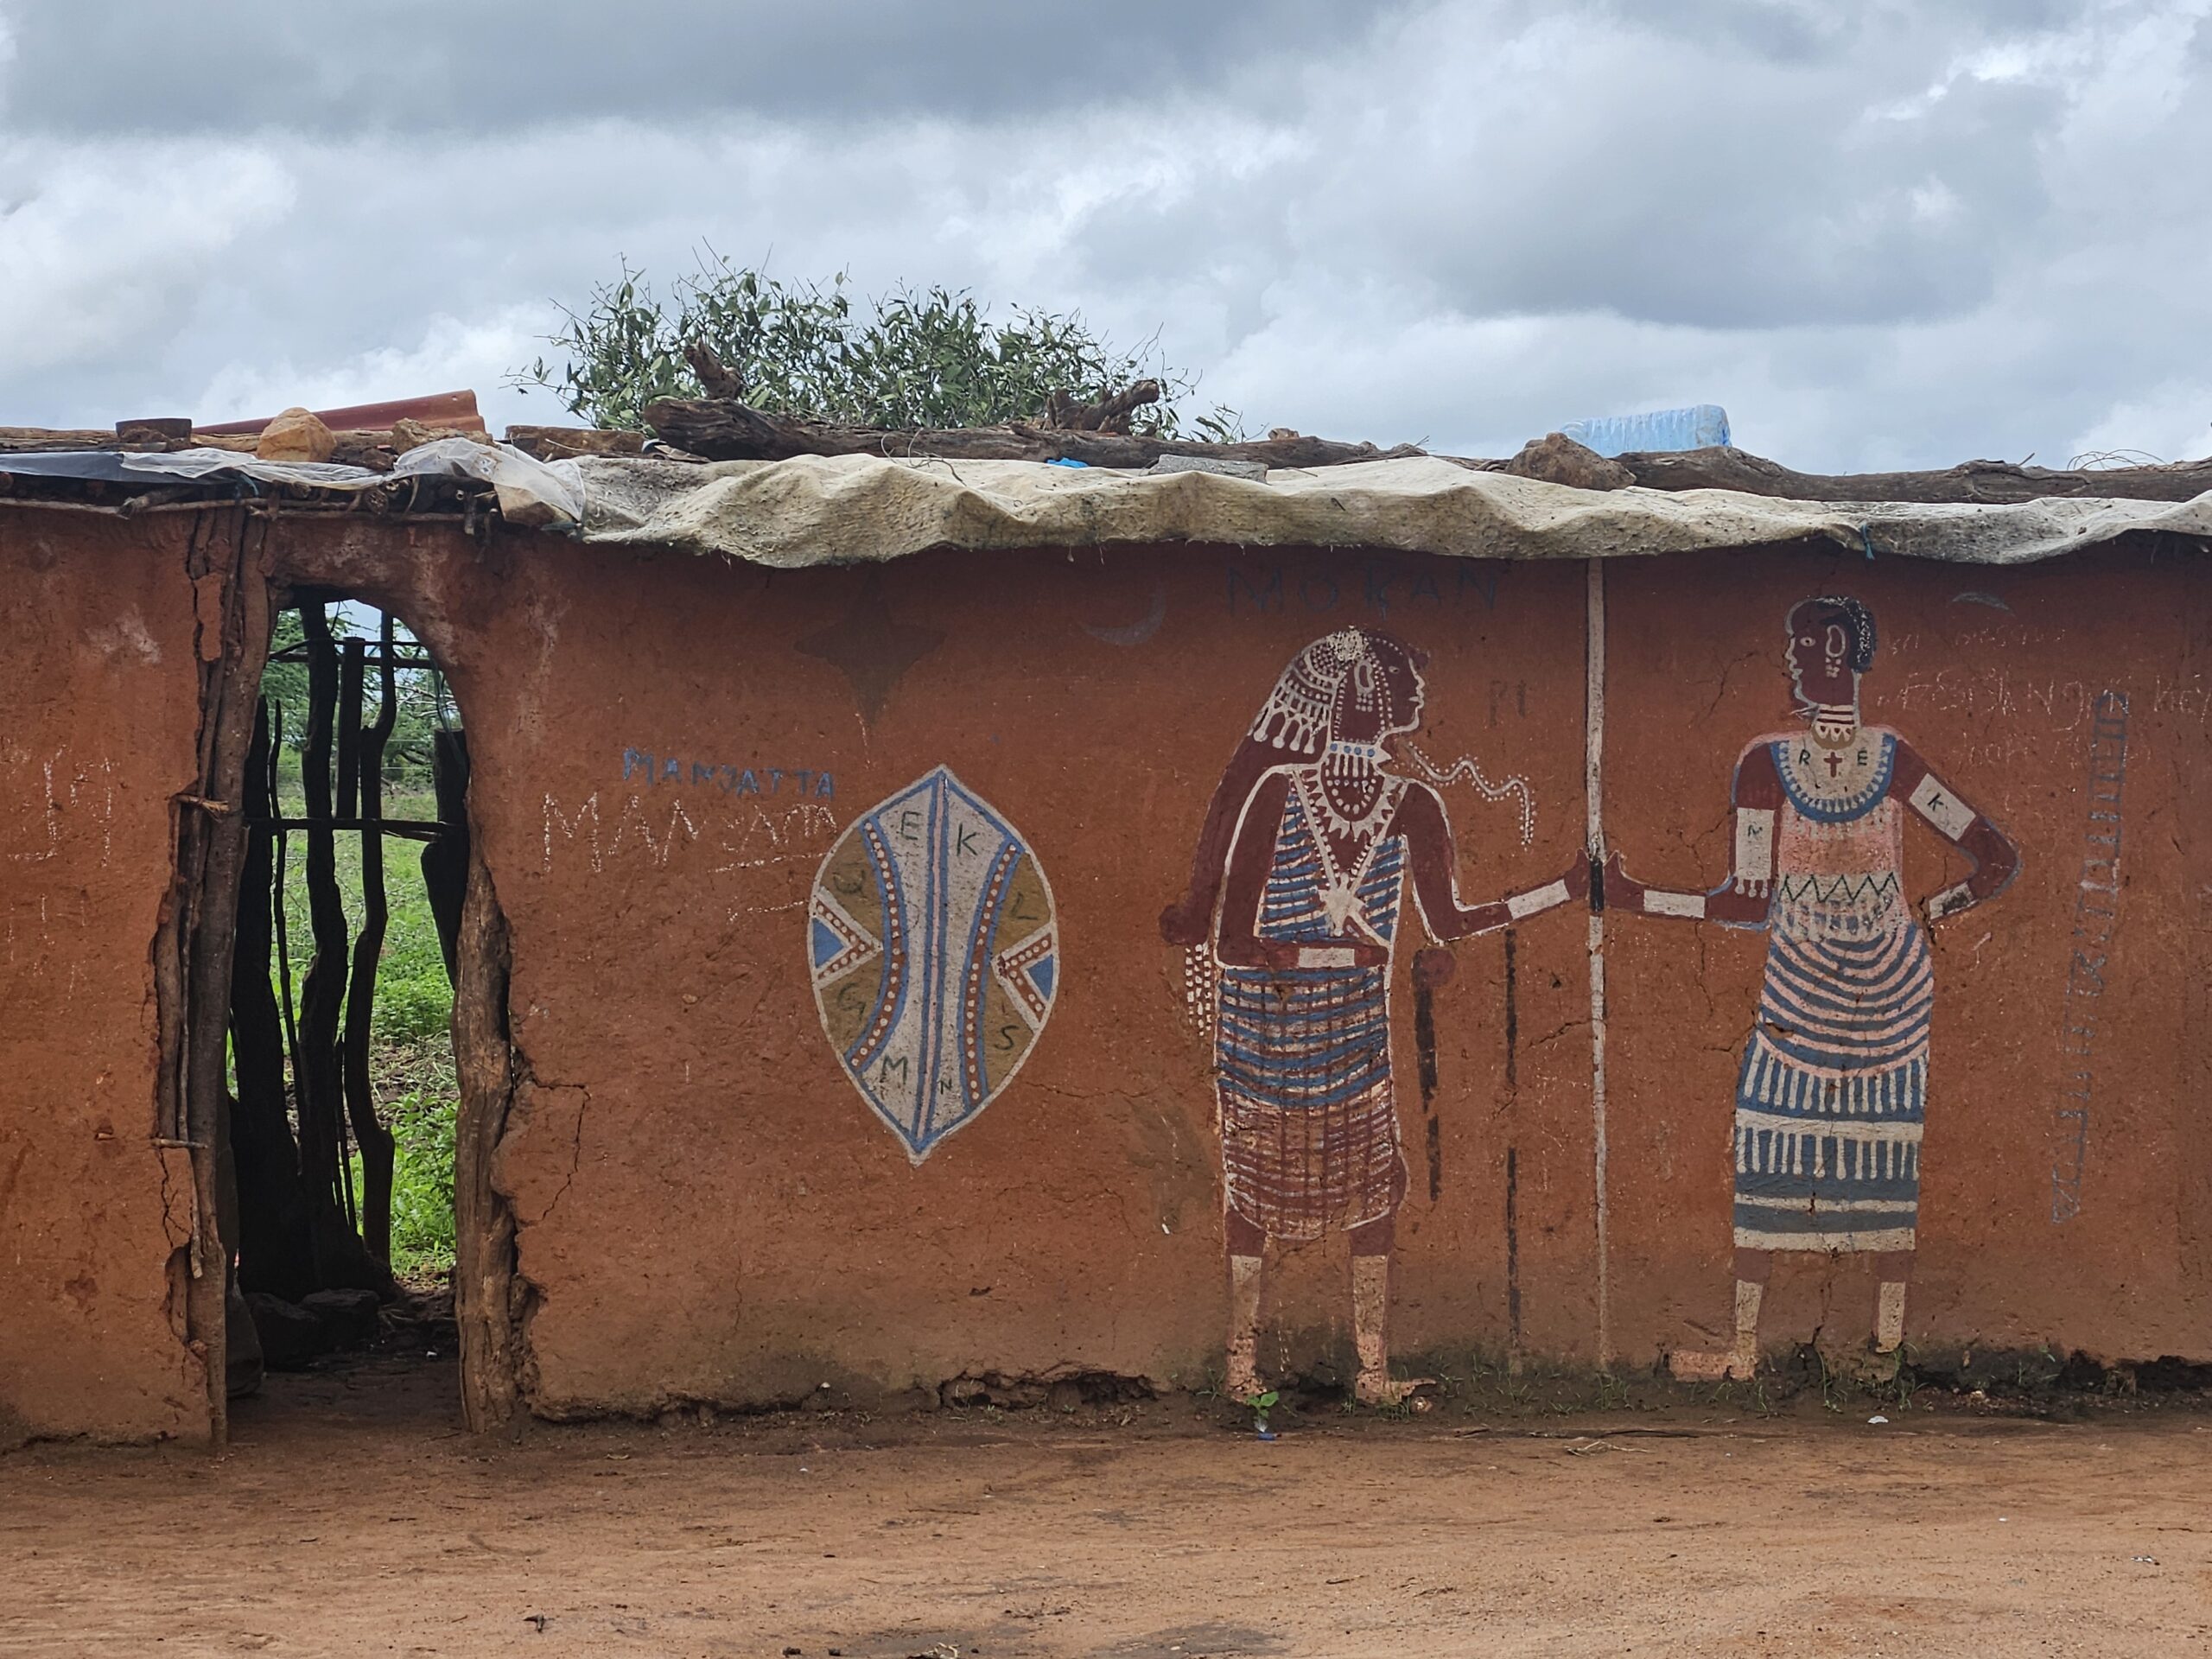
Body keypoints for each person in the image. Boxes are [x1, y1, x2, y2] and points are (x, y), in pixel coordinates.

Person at [1160, 626, 1584, 1405]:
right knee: (1254, 1193)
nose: (1419, 689)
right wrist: (1319, 954)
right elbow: (1232, 943)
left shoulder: (1414, 803)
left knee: (1372, 1193)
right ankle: (1241, 1369)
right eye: (1402, 676)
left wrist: (1558, 891)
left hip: (1354, 1031)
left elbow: (1448, 919)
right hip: (1267, 1029)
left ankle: (1372, 1372)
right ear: (1362, 691)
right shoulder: (1280, 791)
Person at [1605, 595, 2018, 1379]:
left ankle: (1865, 1347)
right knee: (1783, 1141)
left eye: (1801, 645)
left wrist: (1937, 910)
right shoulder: (1775, 763)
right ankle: (1775, 1349)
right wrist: (1642, 899)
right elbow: (1748, 899)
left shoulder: (1883, 760)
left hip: (1880, 994)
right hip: (1819, 987)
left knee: (1875, 1154)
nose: (1791, 659)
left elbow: (1993, 857)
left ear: (1834, 648)